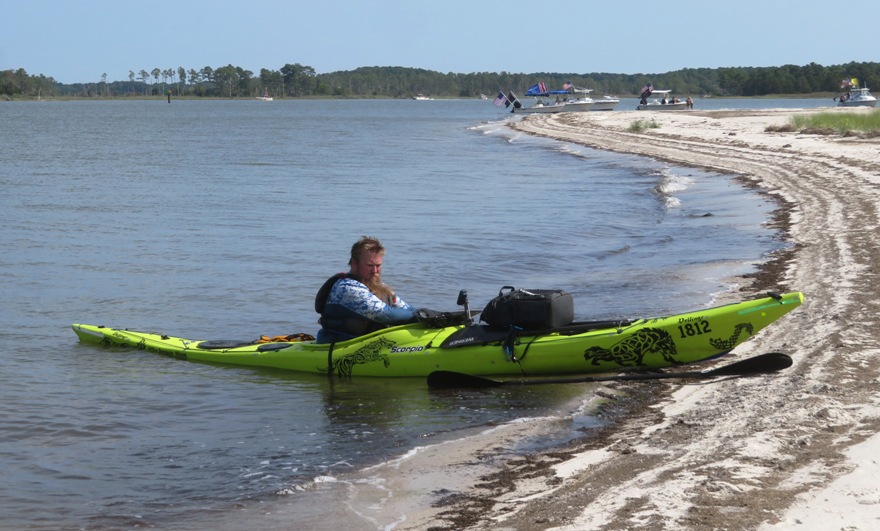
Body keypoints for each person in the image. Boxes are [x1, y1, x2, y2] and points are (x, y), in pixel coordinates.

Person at [315, 236, 415, 343]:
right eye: (370, 265)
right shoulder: (347, 288)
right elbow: (387, 314)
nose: (375, 270)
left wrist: (429, 316)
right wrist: (423, 317)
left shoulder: (382, 288)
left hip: (370, 345)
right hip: (339, 348)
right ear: (354, 263)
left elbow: (407, 310)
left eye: (378, 265)